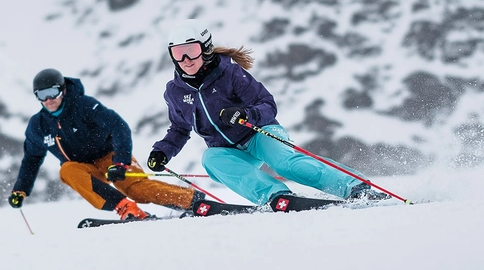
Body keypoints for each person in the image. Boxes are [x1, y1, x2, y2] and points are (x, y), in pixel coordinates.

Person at [146, 19, 389, 208]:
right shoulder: (175, 91)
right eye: (178, 53)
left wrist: (244, 114)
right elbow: (179, 128)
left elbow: (267, 104)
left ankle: (355, 187)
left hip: (259, 133)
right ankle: (275, 195)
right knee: (211, 159)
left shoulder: (229, 73)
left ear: (206, 49)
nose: (185, 59)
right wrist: (162, 151)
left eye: (191, 51)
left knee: (285, 164)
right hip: (228, 149)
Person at [8, 68, 204, 220]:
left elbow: (118, 127)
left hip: (110, 157)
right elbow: (31, 159)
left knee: (138, 190)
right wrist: (20, 190)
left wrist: (120, 161)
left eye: (53, 92)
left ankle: (192, 200)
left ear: (63, 89)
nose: (49, 99)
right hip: (84, 168)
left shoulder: (83, 105)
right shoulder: (38, 126)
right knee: (67, 170)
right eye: (42, 95)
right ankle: (126, 209)